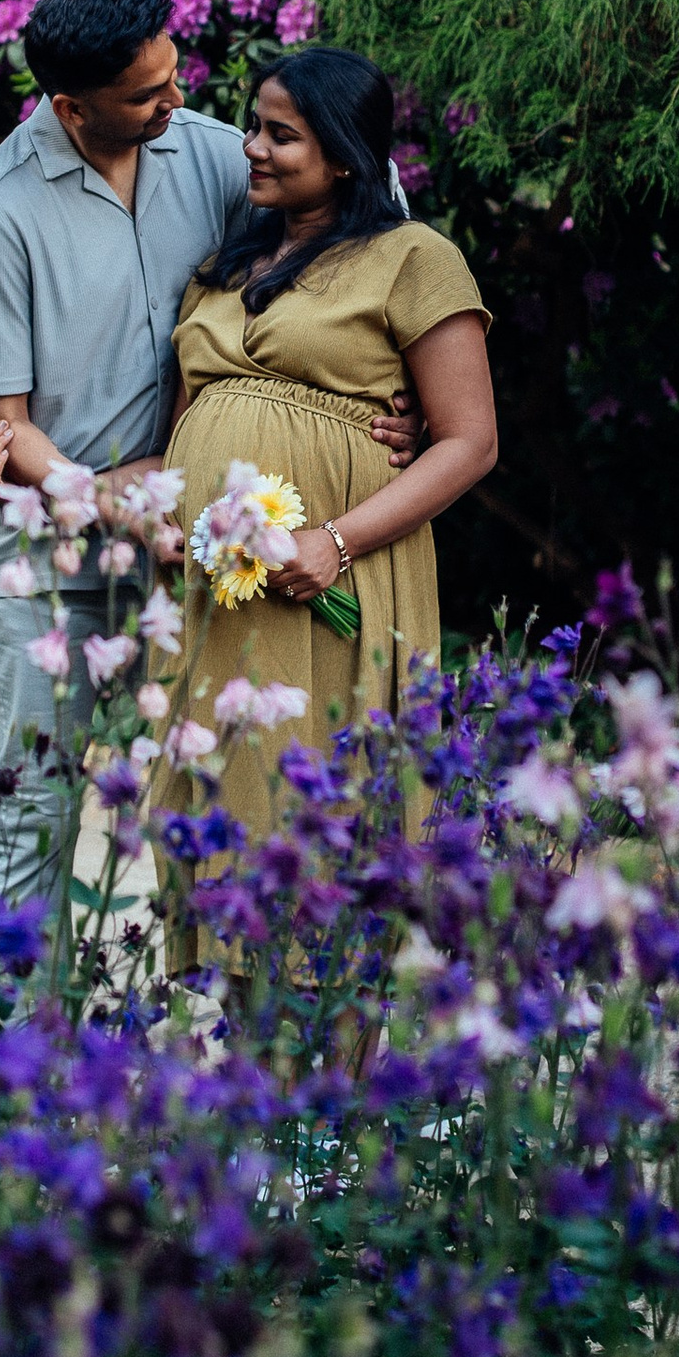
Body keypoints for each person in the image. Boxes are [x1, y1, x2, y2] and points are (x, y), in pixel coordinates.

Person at [0, 0, 418, 913]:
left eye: (174, 72)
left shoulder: (209, 153)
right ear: (72, 108)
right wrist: (118, 492)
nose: (178, 99)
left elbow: (370, 201)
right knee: (40, 815)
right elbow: (1, 428)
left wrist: (403, 385)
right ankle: (28, 1061)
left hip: (198, 563)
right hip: (44, 569)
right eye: (148, 93)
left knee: (208, 799)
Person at [164, 44, 496, 837]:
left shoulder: (415, 259)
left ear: (345, 158)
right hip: (213, 589)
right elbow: (179, 429)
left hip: (332, 576)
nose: (251, 146)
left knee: (325, 793)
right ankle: (223, 967)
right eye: (255, 126)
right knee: (222, 799)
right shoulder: (221, 268)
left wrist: (332, 543)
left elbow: (471, 442)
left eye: (281, 135)